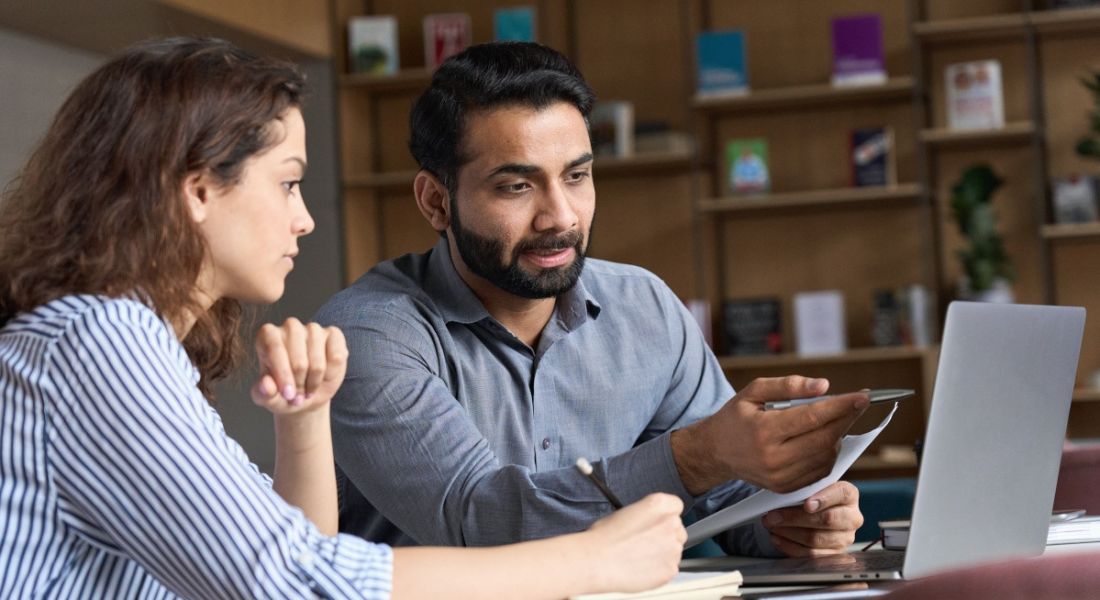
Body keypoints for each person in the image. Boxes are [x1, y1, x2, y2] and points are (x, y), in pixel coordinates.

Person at [0, 37, 690, 599]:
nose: (303, 220)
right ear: (201, 188)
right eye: (289, 181)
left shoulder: (118, 343)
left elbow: (291, 555)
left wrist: (302, 423)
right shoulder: (97, 342)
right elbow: (291, 582)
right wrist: (588, 562)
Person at [317, 41, 869, 557]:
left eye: (576, 175)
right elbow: (479, 522)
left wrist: (796, 519)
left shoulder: (645, 308)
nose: (561, 216)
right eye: (516, 186)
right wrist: (697, 455)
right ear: (437, 202)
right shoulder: (368, 334)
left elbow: (725, 501)